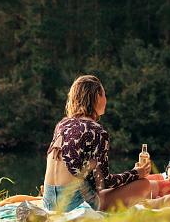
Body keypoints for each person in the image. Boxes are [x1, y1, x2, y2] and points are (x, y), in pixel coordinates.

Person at [42, 75, 151, 212]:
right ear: (96, 96)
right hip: (72, 206)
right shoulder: (97, 131)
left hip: (48, 201)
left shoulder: (62, 124)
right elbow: (104, 182)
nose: (106, 100)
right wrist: (135, 173)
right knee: (144, 185)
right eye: (104, 94)